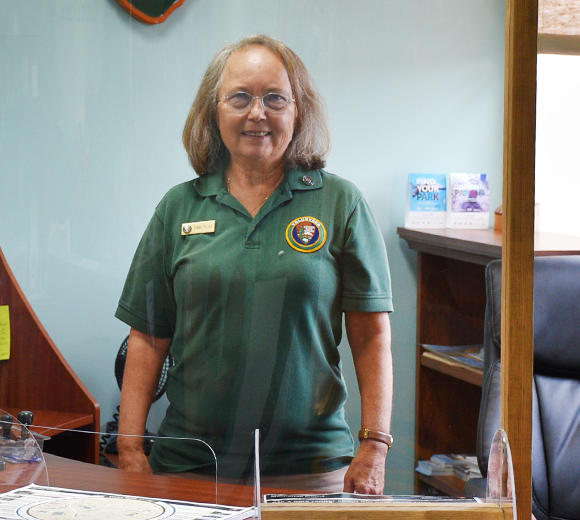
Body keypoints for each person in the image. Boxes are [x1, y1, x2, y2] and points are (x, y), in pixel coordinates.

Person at [114, 34, 393, 494]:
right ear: (214, 110)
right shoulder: (179, 207)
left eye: (274, 98)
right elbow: (147, 337)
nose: (257, 113)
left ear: (297, 109)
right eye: (239, 97)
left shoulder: (340, 202)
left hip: (313, 465)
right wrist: (129, 449)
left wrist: (375, 446)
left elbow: (371, 335)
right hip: (190, 462)